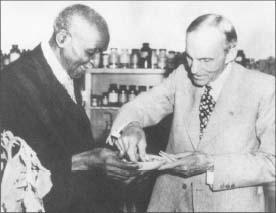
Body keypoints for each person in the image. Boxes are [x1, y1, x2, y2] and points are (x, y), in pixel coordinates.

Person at [108, 14, 275, 212]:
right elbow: (139, 107)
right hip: (171, 203)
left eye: (206, 60)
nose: (194, 69)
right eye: (189, 57)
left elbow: (271, 163)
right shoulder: (182, 75)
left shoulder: (264, 88)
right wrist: (131, 126)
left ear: (231, 53)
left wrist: (211, 164)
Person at [0, 4, 141, 213]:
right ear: (62, 39)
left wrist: (111, 162)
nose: (93, 63)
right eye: (90, 53)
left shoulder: (65, 70)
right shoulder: (12, 83)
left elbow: (68, 141)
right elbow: (20, 170)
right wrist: (89, 160)